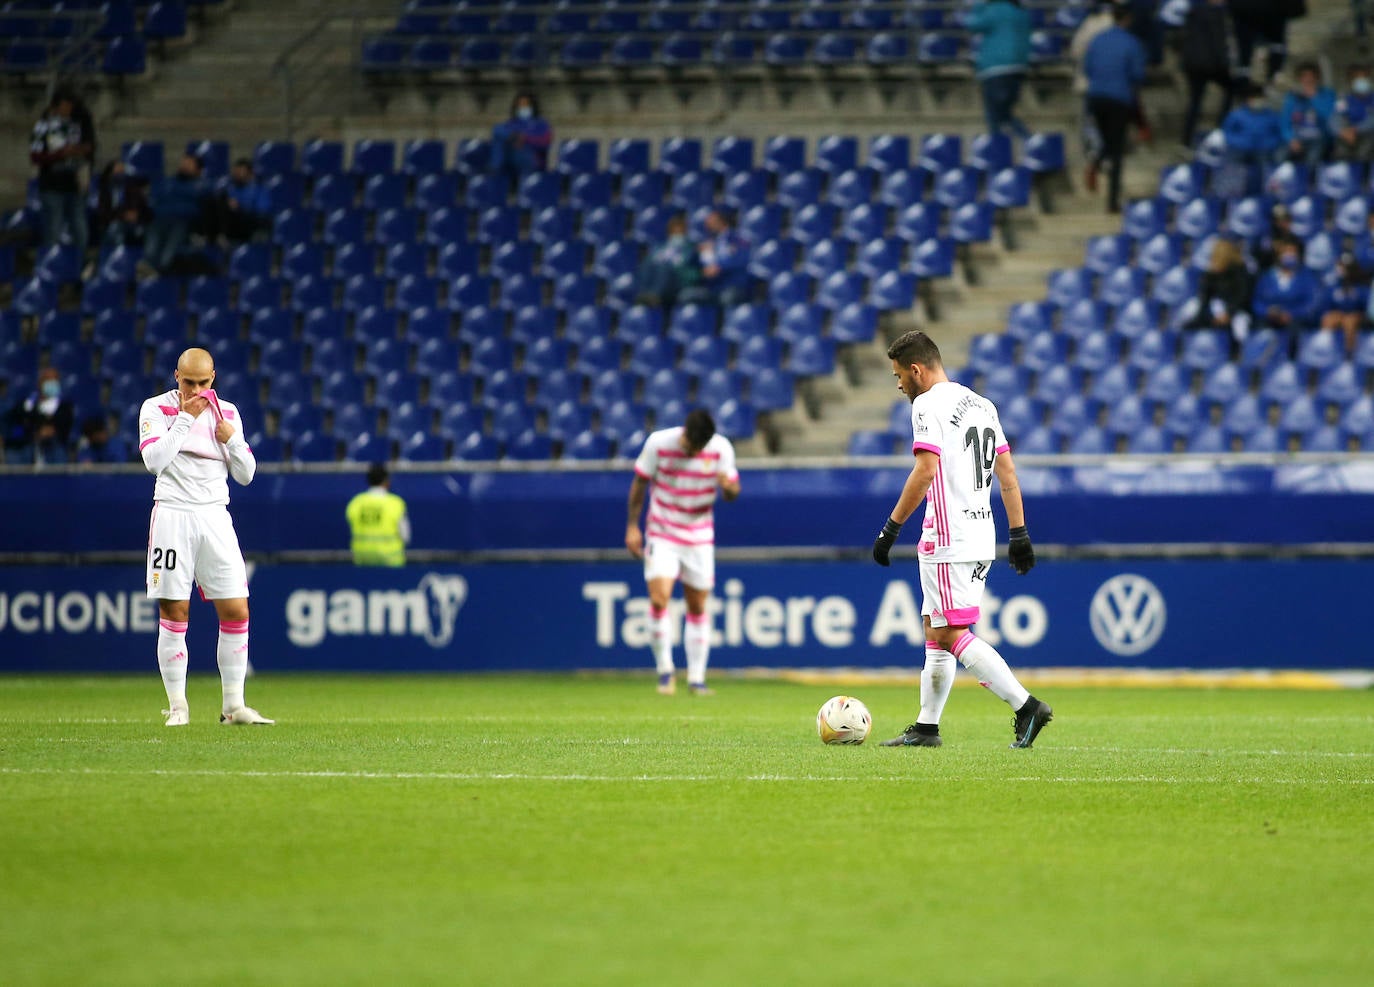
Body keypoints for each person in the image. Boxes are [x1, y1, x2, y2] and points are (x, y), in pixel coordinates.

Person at [871, 330, 1050, 750]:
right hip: (980, 531)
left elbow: (925, 470)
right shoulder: (981, 404)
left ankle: (1026, 706)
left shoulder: (927, 405)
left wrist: (891, 528)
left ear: (916, 370)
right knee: (935, 631)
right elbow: (1007, 473)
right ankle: (926, 727)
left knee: (951, 634)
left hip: (948, 536)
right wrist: (1019, 533)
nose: (898, 384)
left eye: (899, 375)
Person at [137, 347, 271, 727]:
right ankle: (178, 706)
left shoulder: (227, 412)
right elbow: (154, 461)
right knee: (175, 611)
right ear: (176, 376)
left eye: (204, 383)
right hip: (173, 514)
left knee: (236, 609)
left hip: (215, 516)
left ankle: (234, 706)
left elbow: (246, 474)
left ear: (214, 379)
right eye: (189, 382)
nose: (196, 390)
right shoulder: (154, 409)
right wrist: (184, 420)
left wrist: (231, 440)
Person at [625, 408, 740, 696]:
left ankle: (696, 679)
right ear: (684, 434)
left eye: (700, 447)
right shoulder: (658, 444)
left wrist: (728, 488)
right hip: (662, 531)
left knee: (698, 606)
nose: (695, 451)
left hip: (699, 536)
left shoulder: (721, 448)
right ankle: (665, 672)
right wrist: (632, 527)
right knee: (659, 597)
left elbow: (733, 492)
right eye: (692, 446)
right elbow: (639, 483)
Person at [1082, 5, 1147, 212]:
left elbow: (1088, 68)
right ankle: (1112, 202)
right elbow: (1137, 75)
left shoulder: (1098, 39)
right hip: (1119, 98)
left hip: (1095, 97)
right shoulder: (1132, 42)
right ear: (1127, 19)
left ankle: (1096, 160)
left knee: (1106, 141)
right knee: (1117, 149)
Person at [29, 92, 91, 258]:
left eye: (70, 107)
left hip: (74, 186)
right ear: (55, 107)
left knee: (80, 229)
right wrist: (60, 154)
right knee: (53, 230)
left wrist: (79, 150)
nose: (67, 110)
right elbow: (35, 156)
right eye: (65, 107)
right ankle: (52, 266)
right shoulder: (43, 126)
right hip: (52, 187)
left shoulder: (77, 124)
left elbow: (88, 147)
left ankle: (80, 265)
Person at [965, 0, 1033, 140]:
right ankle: (1030, 144)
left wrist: (978, 6)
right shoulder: (1021, 11)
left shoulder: (996, 10)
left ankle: (1024, 145)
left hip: (996, 69)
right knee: (1006, 115)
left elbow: (971, 24)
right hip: (1018, 69)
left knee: (996, 118)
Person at [138, 153, 209, 276]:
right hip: (159, 221)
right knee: (150, 249)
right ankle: (151, 270)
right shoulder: (167, 183)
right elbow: (154, 202)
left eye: (189, 164)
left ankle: (158, 272)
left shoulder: (202, 186)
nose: (184, 166)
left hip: (183, 224)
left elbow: (197, 208)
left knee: (168, 254)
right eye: (183, 163)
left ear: (198, 170)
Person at [1180, 0, 1238, 149]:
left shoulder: (1194, 11)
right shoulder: (1216, 13)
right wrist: (1227, 65)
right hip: (1211, 65)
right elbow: (1218, 41)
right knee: (1231, 88)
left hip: (1192, 64)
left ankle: (1186, 139)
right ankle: (1220, 129)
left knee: (1195, 101)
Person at [1184, 238, 1253, 348]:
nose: (1216, 260)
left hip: (1236, 309)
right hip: (1216, 306)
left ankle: (1238, 351)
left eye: (1220, 256)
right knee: (1191, 308)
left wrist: (1229, 313)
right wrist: (1208, 314)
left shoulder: (1240, 272)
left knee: (1240, 325)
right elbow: (1205, 295)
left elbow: (1242, 296)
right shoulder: (1210, 273)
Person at [1070, 2, 1116, 161]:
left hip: (1090, 82)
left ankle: (1093, 153)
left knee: (1090, 119)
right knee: (1107, 121)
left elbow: (1075, 51)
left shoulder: (1090, 22)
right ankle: (1105, 154)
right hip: (1111, 84)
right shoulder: (1114, 24)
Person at [1252, 239, 1322, 342]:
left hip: (1295, 320)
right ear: (1279, 255)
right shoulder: (1267, 276)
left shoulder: (1307, 277)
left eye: (1292, 252)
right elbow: (1257, 301)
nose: (1289, 255)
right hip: (1269, 318)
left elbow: (1311, 304)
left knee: (1295, 330)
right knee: (1259, 329)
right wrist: (1267, 311)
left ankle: (1292, 357)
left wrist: (1291, 314)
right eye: (1286, 252)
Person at [1221, 84, 1286, 193]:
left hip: (1264, 151)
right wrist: (1240, 142)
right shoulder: (1237, 115)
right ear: (1247, 99)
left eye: (1259, 98)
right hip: (1240, 149)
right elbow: (1227, 133)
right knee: (1233, 161)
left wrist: (1268, 144)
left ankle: (1264, 192)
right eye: (1254, 98)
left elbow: (1279, 134)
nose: (1257, 101)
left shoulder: (1272, 116)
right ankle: (1231, 191)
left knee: (1266, 166)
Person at [3, 368, 75, 465]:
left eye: (55, 380)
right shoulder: (27, 404)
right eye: (48, 379)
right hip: (28, 443)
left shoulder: (64, 407)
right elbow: (15, 424)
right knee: (16, 450)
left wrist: (51, 431)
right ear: (40, 383)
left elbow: (66, 428)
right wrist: (34, 432)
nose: (52, 383)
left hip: (54, 445)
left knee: (58, 451)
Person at [345, 463, 411, 566]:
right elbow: (406, 537)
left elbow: (351, 526)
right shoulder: (395, 503)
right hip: (391, 561)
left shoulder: (356, 503)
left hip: (362, 560)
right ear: (386, 481)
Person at [684, 209, 751, 307]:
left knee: (727, 298)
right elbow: (692, 264)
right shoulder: (707, 242)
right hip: (711, 288)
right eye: (707, 224)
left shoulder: (738, 239)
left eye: (711, 223)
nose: (708, 227)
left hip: (732, 285)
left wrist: (719, 267)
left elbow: (742, 259)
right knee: (687, 295)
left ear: (721, 222)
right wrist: (695, 252)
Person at [635, 212, 700, 311]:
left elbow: (696, 272)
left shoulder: (691, 248)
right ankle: (645, 294)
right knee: (647, 265)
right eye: (674, 231)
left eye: (680, 231)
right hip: (658, 280)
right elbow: (648, 264)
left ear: (685, 232)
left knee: (665, 268)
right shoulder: (659, 248)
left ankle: (654, 296)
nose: (677, 234)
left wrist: (680, 271)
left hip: (679, 282)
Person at [488, 92, 552, 187]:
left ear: (532, 106)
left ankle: (495, 174)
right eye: (520, 105)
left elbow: (545, 143)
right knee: (498, 133)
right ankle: (496, 171)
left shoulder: (541, 124)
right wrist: (516, 137)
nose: (522, 107)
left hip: (532, 159)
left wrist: (525, 139)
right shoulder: (512, 123)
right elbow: (498, 132)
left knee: (511, 145)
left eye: (525, 104)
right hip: (511, 157)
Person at [1280, 62, 1336, 167]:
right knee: (1280, 155)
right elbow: (1285, 121)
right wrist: (1291, 139)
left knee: (1312, 158)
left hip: (1319, 138)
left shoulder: (1327, 94)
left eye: (1311, 76)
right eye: (1304, 76)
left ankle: (1311, 182)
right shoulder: (1292, 97)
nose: (1308, 80)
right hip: (1298, 137)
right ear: (1300, 79)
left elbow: (1329, 116)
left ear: (1317, 78)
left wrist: (1314, 97)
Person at [214, 158, 273, 245]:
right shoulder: (230, 189)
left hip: (252, 222)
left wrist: (240, 207)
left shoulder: (260, 190)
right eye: (236, 173)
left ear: (250, 174)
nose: (238, 175)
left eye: (241, 172)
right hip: (234, 223)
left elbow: (262, 212)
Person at [1319, 253, 1369, 352]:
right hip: (1338, 314)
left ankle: (1349, 355)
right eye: (1340, 265)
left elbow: (1366, 306)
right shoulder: (1333, 286)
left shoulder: (1361, 286)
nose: (1342, 269)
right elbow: (1326, 305)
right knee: (1328, 319)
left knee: (1349, 321)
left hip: (1357, 316)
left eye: (1346, 267)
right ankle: (1326, 353)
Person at [95, 159, 151, 248]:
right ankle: (118, 259)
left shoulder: (134, 189)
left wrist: (137, 215)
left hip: (135, 223)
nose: (121, 173)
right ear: (110, 174)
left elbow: (145, 209)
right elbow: (103, 213)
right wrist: (123, 215)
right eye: (118, 170)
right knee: (116, 228)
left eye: (122, 170)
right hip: (114, 222)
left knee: (147, 231)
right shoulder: (105, 192)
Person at [1332, 64, 1374, 162]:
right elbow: (1337, 115)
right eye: (1357, 78)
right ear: (1351, 80)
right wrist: (1342, 131)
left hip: (1368, 133)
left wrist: (1356, 129)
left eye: (1364, 77)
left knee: (1364, 151)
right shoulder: (1344, 98)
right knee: (1341, 151)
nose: (1361, 80)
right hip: (1347, 133)